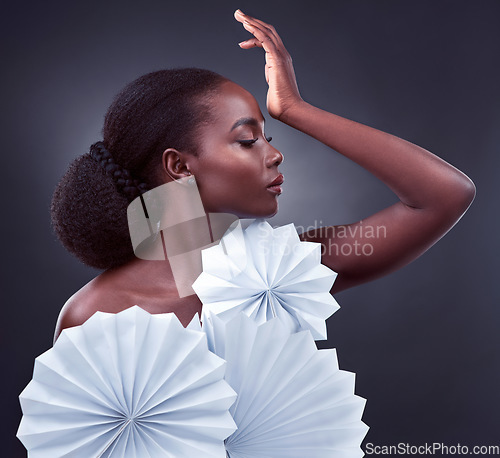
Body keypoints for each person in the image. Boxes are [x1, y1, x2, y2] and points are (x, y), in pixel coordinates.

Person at [51, 9, 475, 342]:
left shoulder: (279, 269)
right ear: (179, 166)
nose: (274, 155)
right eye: (248, 140)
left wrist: (295, 108)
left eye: (267, 136)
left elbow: (445, 195)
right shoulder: (91, 317)